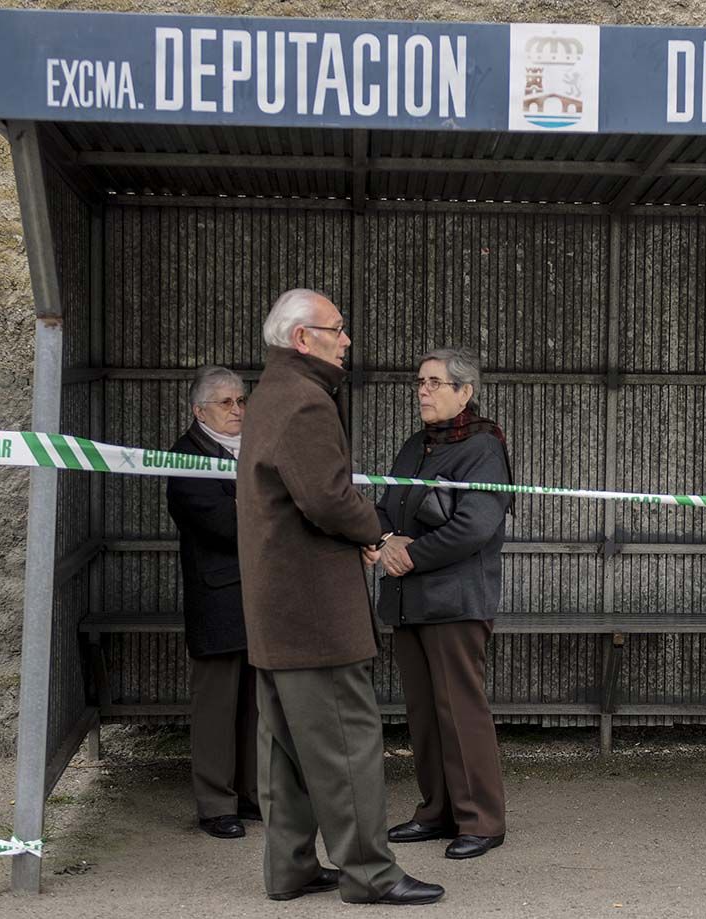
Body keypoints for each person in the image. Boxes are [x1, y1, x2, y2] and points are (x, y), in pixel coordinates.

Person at [236, 288, 444, 905]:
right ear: (303, 338)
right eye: (337, 329)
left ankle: (291, 869)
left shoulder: (271, 393)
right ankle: (370, 875)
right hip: (315, 610)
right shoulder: (306, 401)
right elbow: (326, 497)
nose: (346, 340)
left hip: (276, 608)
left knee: (284, 753)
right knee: (349, 747)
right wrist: (377, 532)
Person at [375, 347, 512, 860]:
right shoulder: (415, 446)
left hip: (455, 602)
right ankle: (437, 811)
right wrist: (380, 538)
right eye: (420, 382)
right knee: (425, 713)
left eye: (435, 383)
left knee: (461, 711)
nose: (424, 391)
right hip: (410, 603)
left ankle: (481, 819)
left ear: (465, 392)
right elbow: (388, 504)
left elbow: (475, 525)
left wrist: (410, 556)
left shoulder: (483, 449)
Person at [165, 365, 259, 839]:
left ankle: (250, 793)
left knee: (254, 703)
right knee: (216, 705)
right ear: (199, 410)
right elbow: (223, 524)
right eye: (226, 403)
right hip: (219, 596)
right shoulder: (187, 457)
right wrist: (267, 508)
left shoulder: (251, 448)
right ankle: (215, 804)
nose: (237, 409)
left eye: (241, 400)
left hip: (259, 594)